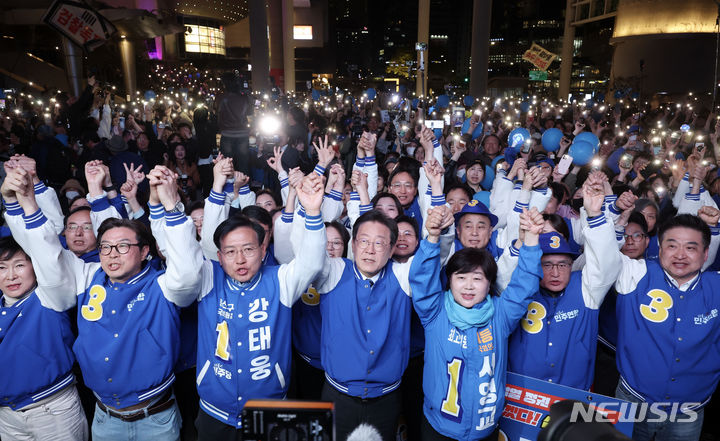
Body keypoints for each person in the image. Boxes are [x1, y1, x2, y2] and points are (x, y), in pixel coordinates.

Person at [2, 164, 199, 441]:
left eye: (122, 247)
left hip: (155, 417)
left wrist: (170, 205)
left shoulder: (161, 283)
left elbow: (188, 275)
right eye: (105, 247)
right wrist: (20, 201)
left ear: (144, 252)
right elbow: (45, 252)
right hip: (105, 418)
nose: (112, 254)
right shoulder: (87, 275)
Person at [190, 159, 327, 439]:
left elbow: (312, 263)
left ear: (264, 251)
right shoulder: (207, 277)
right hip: (214, 412)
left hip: (270, 409)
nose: (240, 259)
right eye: (230, 251)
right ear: (219, 256)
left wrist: (312, 211)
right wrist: (217, 187)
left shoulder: (280, 280)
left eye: (249, 249)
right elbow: (203, 246)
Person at [409, 205, 544, 441]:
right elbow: (421, 279)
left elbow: (523, 286)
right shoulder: (435, 312)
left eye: (477, 278)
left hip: (485, 430)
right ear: (449, 281)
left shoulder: (500, 316)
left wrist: (531, 240)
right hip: (438, 428)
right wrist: (431, 237)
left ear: (489, 283)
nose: (469, 286)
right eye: (460, 278)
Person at [613, 211, 720, 441]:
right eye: (672, 246)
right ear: (659, 249)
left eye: (691, 248)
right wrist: (605, 214)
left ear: (705, 254)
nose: (680, 255)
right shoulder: (636, 274)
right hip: (634, 400)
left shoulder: (716, 286)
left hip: (689, 409)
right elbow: (602, 255)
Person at [507, 176, 621, 390]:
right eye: (547, 265)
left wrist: (595, 214)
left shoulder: (586, 289)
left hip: (572, 398)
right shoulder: (521, 290)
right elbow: (504, 276)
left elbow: (607, 264)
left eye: (563, 264)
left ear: (572, 264)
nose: (556, 272)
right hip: (522, 398)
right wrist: (522, 241)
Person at [0, 236, 88, 441]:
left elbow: (48, 254)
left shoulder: (48, 296)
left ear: (35, 266)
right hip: (7, 416)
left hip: (52, 409)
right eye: (2, 267)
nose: (11, 275)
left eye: (19, 265)